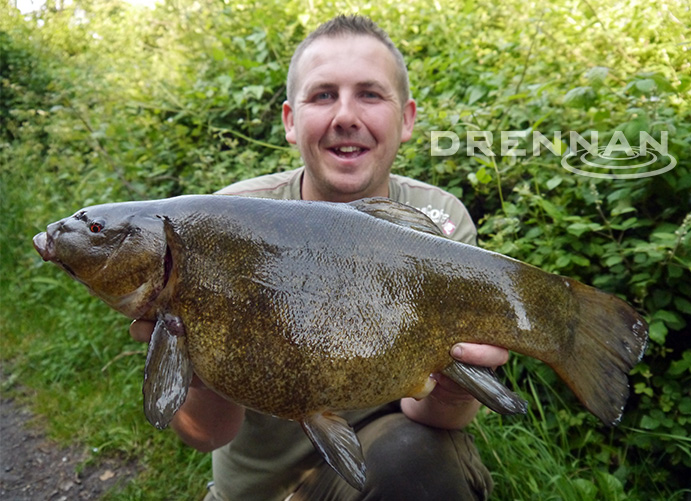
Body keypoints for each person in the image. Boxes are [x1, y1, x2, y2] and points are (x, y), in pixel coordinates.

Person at [130, 14, 509, 501]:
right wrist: (193, 366)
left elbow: (430, 415)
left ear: (407, 118)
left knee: (416, 456)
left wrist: (458, 389)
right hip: (257, 493)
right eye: (323, 95)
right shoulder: (222, 223)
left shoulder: (438, 223)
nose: (345, 115)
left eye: (370, 94)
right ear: (291, 121)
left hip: (380, 471)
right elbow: (206, 435)